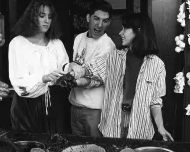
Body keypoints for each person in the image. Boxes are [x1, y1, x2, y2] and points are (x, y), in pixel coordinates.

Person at [70, 13, 173, 141]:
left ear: (138, 31)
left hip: (140, 129)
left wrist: (161, 127)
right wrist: (74, 71)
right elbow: (90, 70)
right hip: (112, 127)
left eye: (125, 28)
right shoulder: (113, 57)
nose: (120, 32)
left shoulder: (157, 65)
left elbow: (155, 101)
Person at [8, 0, 69, 134]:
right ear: (32, 17)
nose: (47, 20)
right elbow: (18, 81)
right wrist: (43, 78)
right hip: (26, 106)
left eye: (50, 16)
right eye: (42, 16)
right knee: (28, 146)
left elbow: (64, 69)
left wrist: (70, 70)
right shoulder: (18, 43)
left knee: (54, 145)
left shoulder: (56, 44)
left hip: (53, 103)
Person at [68, 0, 115, 137]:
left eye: (105, 21)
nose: (100, 25)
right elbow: (74, 64)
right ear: (88, 18)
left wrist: (71, 76)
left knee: (96, 151)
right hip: (75, 106)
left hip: (95, 110)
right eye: (96, 19)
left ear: (109, 23)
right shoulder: (79, 38)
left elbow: (93, 77)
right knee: (76, 150)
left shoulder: (108, 46)